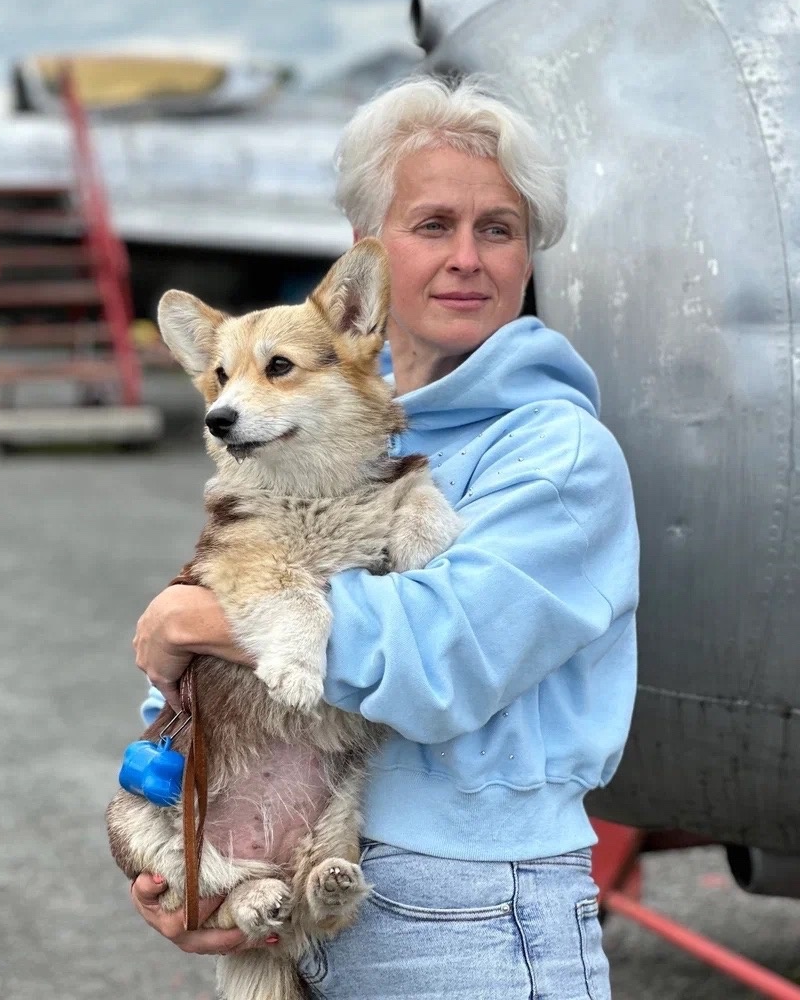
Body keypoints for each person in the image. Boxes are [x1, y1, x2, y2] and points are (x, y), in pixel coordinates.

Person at [130, 75, 639, 999]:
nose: (467, 259)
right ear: (366, 260)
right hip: (310, 879)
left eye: (500, 229)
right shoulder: (323, 425)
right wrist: (184, 815)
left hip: (473, 911)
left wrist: (194, 620)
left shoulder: (561, 453)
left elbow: (446, 656)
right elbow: (233, 630)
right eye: (433, 224)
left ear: (530, 257)